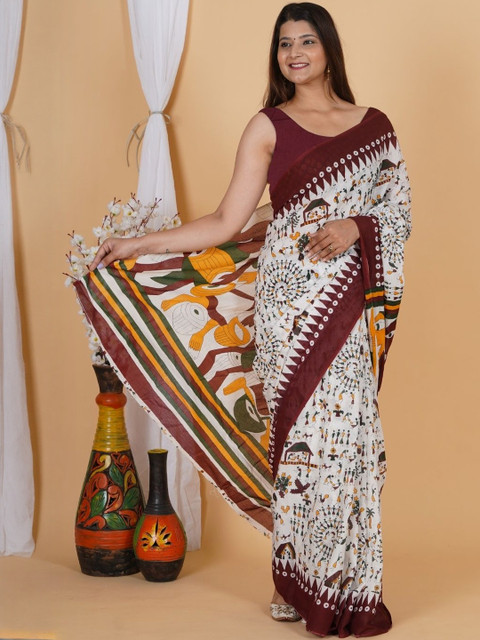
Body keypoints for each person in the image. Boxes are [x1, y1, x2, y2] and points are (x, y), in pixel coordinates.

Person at [86, 3, 411, 637]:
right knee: (302, 448)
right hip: (288, 308)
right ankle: (302, 587)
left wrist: (357, 226)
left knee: (351, 443)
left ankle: (348, 588)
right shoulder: (267, 126)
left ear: (328, 49)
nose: (295, 53)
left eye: (306, 41)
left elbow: (399, 211)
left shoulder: (374, 127)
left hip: (348, 306)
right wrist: (137, 245)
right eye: (285, 43)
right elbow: (224, 222)